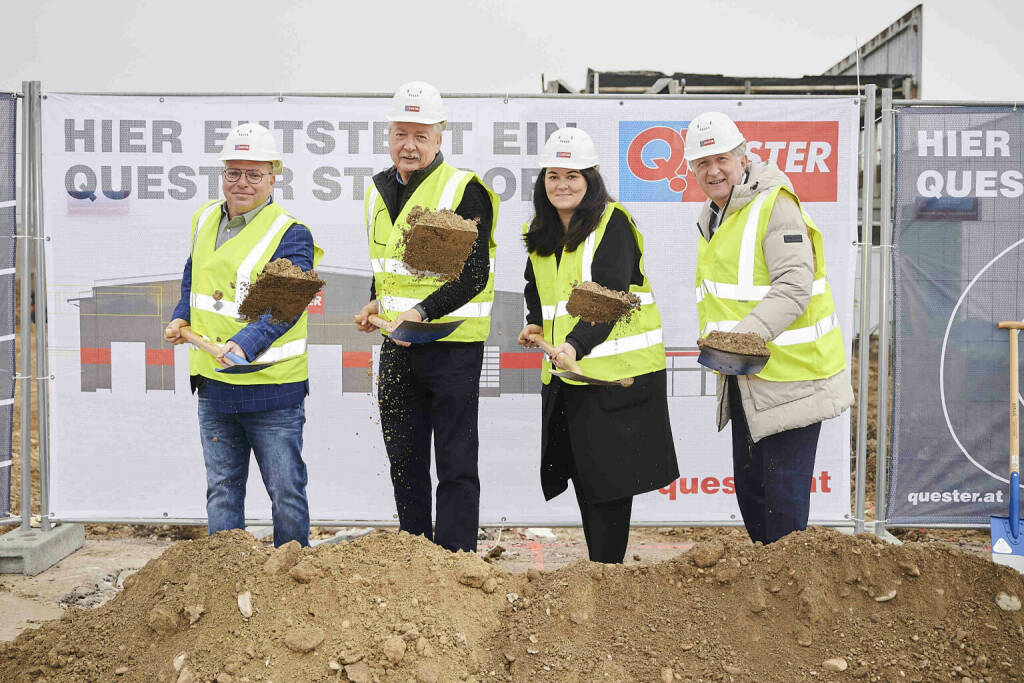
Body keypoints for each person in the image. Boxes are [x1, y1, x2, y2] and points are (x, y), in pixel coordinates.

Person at [684, 111, 853, 545]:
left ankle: (790, 606)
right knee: (754, 496)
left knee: (783, 509)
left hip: (792, 381)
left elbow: (795, 286)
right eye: (702, 163)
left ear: (743, 158)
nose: (713, 170)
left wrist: (738, 339)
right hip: (748, 376)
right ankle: (767, 599)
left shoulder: (773, 204)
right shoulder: (717, 214)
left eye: (721, 158)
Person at [516, 128, 678, 563]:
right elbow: (536, 286)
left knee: (609, 482)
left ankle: (607, 574)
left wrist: (573, 344)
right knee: (586, 476)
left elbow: (609, 297)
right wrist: (535, 324)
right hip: (570, 374)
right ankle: (600, 570)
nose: (562, 185)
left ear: (592, 179)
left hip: (614, 378)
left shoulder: (613, 222)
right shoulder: (542, 228)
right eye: (553, 175)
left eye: (573, 175)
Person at [353, 81, 499, 553]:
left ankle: (456, 564)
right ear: (388, 136)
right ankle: (415, 558)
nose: (409, 145)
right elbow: (390, 262)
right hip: (397, 345)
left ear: (439, 138)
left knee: (455, 462)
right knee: (405, 458)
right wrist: (377, 299)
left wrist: (421, 311)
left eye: (420, 135)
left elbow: (473, 275)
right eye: (400, 134)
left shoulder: (463, 189)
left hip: (451, 345)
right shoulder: (378, 191)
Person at [164, 122, 323, 547]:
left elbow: (284, 307)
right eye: (234, 172)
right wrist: (182, 315)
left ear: (274, 177)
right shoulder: (203, 219)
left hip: (272, 389)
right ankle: (225, 583)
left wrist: (244, 344)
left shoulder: (290, 233)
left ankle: (290, 579)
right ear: (223, 175)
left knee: (286, 494)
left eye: (254, 174)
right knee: (222, 492)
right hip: (214, 385)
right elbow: (192, 277)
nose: (242, 182)